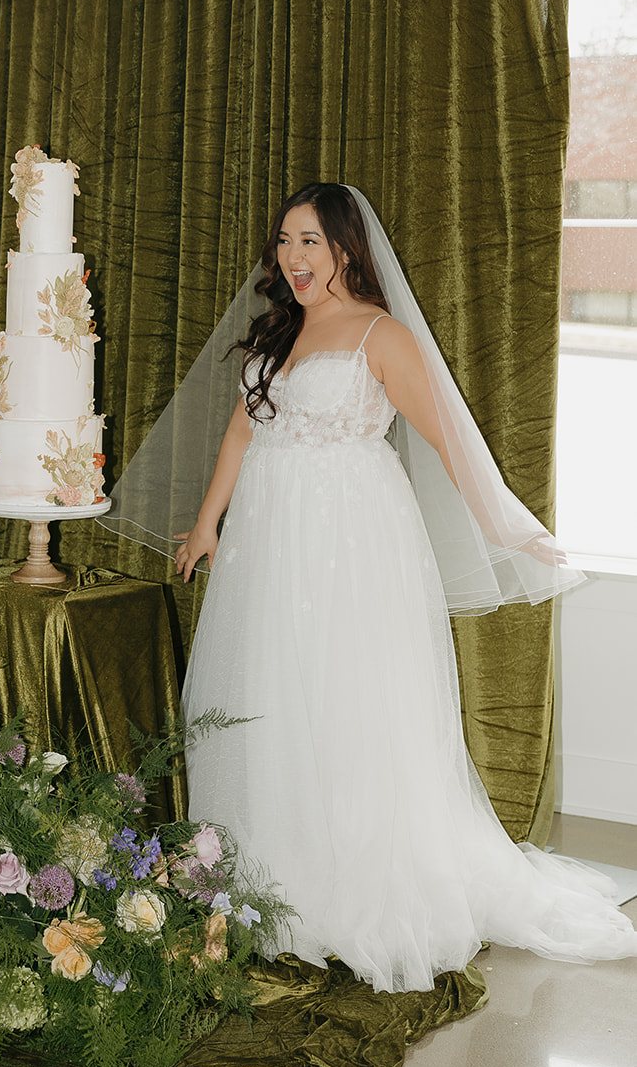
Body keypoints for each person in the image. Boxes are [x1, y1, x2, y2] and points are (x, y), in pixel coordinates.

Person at [165, 183, 637, 994]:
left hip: (349, 545)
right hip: (268, 543)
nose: (292, 257)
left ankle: (355, 879)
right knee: (272, 695)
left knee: (349, 701)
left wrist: (509, 526)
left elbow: (448, 439)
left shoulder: (380, 336)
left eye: (309, 240)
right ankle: (275, 865)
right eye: (283, 241)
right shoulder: (279, 333)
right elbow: (243, 428)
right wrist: (208, 522)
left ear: (346, 247)